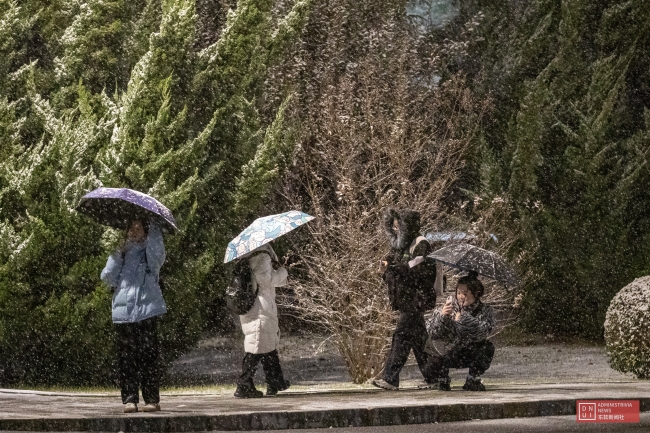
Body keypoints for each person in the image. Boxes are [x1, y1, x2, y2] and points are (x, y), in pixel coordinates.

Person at [101, 217, 167, 413]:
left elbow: (157, 254)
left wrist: (154, 226)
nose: (135, 231)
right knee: (126, 359)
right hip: (123, 313)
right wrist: (117, 252)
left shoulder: (150, 254)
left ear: (146, 232)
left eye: (139, 228)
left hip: (148, 310)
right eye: (132, 227)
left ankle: (152, 399)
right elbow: (107, 277)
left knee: (148, 356)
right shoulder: (121, 252)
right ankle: (129, 399)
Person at [372, 208, 438, 391]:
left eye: (398, 225)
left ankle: (390, 378)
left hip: (416, 300)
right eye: (393, 226)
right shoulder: (399, 248)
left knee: (401, 336)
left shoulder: (421, 244)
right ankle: (436, 376)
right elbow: (397, 271)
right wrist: (386, 270)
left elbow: (415, 269)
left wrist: (393, 268)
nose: (396, 230)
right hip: (407, 300)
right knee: (419, 341)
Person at [235, 242, 291, 398]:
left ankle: (275, 381)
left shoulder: (247, 255)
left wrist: (279, 275)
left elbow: (266, 280)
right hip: (260, 307)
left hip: (252, 305)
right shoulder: (262, 255)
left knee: (266, 344)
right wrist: (283, 271)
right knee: (257, 345)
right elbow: (266, 280)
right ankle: (244, 384)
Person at [427, 274, 496, 391]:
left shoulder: (486, 310)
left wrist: (463, 319)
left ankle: (472, 378)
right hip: (449, 351)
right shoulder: (447, 307)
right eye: (458, 293)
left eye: (465, 293)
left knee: (487, 348)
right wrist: (443, 317)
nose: (461, 296)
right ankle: (442, 378)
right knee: (431, 345)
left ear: (476, 293)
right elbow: (431, 332)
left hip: (469, 353)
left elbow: (482, 333)